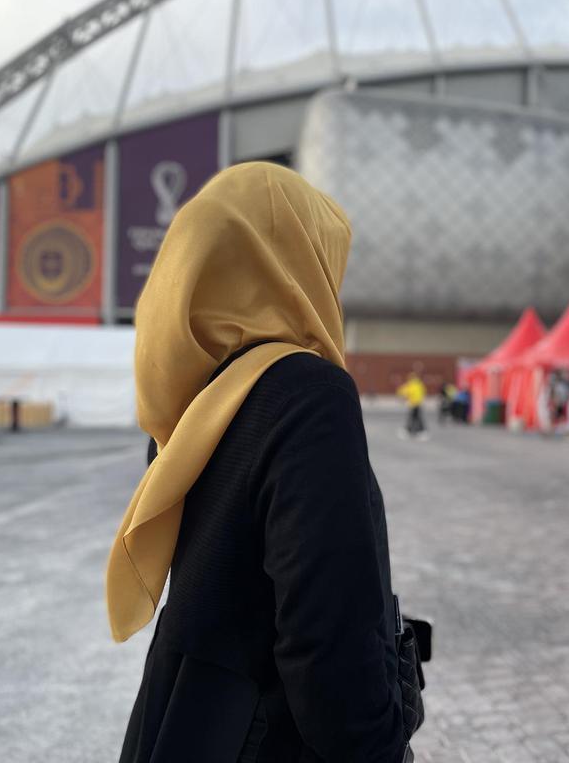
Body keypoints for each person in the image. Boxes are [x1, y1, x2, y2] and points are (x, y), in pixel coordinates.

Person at [106, 163, 421, 763]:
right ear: (299, 265)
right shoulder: (306, 395)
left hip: (180, 720)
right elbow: (328, 646)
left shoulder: (194, 405)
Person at [397, 370, 427, 439]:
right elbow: (423, 392)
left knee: (414, 418)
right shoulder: (419, 384)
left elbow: (404, 392)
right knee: (415, 417)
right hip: (418, 403)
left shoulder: (411, 385)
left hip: (414, 404)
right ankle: (414, 430)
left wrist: (402, 397)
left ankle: (415, 430)